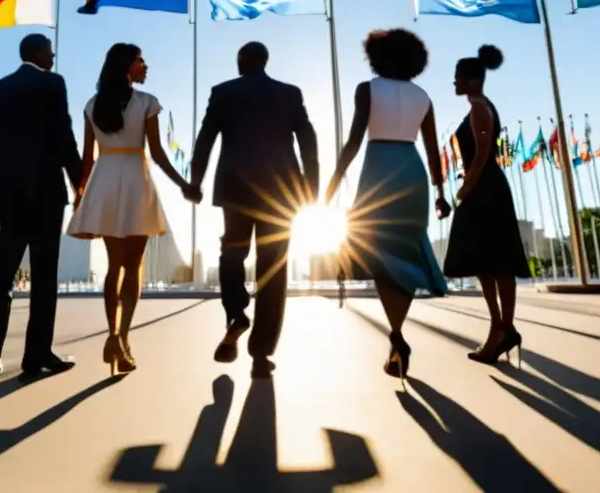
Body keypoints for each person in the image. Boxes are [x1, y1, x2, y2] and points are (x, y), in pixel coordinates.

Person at [325, 29, 450, 384]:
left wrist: (334, 180)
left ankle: (396, 337)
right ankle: (396, 333)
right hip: (412, 170)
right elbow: (432, 148)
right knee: (407, 252)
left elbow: (353, 138)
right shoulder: (423, 96)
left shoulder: (367, 89)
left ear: (376, 56)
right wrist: (441, 191)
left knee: (380, 254)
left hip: (378, 166)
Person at [67, 44, 198, 375]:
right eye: (140, 60)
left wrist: (80, 193)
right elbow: (156, 153)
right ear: (127, 66)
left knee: (114, 266)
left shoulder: (92, 105)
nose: (145, 65)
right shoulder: (146, 102)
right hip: (135, 179)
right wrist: (183, 184)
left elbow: (87, 157)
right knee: (134, 265)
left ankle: (112, 334)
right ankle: (122, 338)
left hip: (104, 180)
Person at [190, 41, 318, 379]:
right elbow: (308, 142)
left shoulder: (223, 92)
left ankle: (236, 313)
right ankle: (261, 353)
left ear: (243, 61)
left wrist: (195, 180)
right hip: (280, 192)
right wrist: (312, 186)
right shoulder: (290, 94)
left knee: (232, 253)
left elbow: (205, 139)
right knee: (273, 267)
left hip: (235, 189)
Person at [0, 34, 83, 380]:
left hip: (8, 195)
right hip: (46, 193)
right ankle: (36, 356)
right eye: (50, 51)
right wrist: (80, 180)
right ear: (38, 52)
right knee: (43, 278)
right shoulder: (52, 83)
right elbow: (63, 133)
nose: (52, 56)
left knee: (2, 274)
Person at [442, 45, 530, 365]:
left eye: (457, 78)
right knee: (487, 261)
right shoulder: (479, 106)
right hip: (486, 185)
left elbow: (481, 152)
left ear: (471, 80)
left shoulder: (479, 108)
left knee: (494, 261)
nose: (454, 83)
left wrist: (466, 187)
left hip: (485, 188)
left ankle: (501, 329)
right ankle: (501, 328)